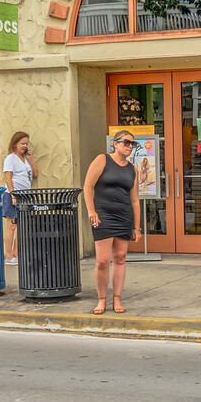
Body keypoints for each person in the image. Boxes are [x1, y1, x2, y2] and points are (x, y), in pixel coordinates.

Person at [82, 130, 138, 315]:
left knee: (120, 258)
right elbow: (88, 186)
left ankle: (117, 299)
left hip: (124, 216)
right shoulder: (102, 160)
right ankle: (101, 300)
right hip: (103, 215)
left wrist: (137, 227)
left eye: (132, 144)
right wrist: (91, 210)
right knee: (102, 261)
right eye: (126, 142)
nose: (129, 146)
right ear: (115, 143)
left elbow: (135, 200)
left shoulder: (132, 169)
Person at [0, 130, 33, 262]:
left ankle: (16, 253)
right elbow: (8, 177)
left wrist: (31, 160)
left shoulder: (25, 160)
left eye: (26, 143)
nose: (24, 146)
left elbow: (34, 173)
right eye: (22, 143)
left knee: (22, 225)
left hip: (25, 195)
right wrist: (13, 195)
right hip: (12, 194)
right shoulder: (10, 158)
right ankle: (9, 255)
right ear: (15, 144)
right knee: (12, 225)